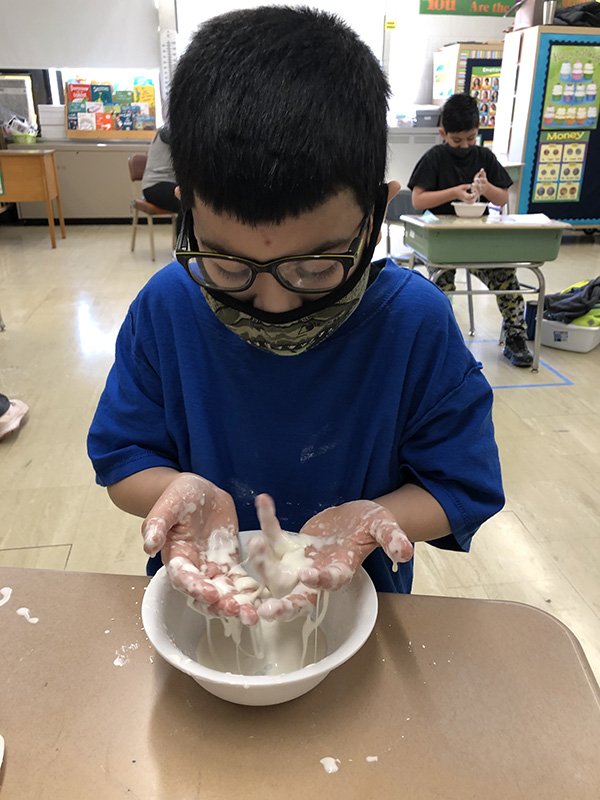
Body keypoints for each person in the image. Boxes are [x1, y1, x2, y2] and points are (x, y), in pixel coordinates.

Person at [88, 8, 504, 625]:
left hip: (356, 615)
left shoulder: (414, 325)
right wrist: (172, 492)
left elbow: (461, 481)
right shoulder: (167, 309)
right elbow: (124, 457)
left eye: (314, 270)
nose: (275, 307)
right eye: (228, 268)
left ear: (375, 215)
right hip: (199, 605)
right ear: (186, 213)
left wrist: (375, 518)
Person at [408, 93, 534, 367]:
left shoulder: (484, 157)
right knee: (441, 287)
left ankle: (515, 337)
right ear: (443, 133)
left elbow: (502, 199)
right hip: (442, 245)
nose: (464, 146)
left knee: (507, 279)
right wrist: (453, 192)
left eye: (471, 138)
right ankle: (444, 341)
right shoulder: (435, 158)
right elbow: (418, 199)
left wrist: (486, 188)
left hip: (479, 242)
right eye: (457, 140)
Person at [141, 126, 181, 215]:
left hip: (170, 184)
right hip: (155, 186)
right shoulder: (168, 131)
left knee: (196, 201)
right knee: (188, 203)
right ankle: (183, 229)